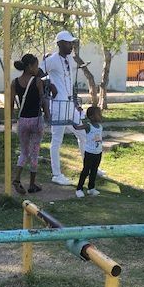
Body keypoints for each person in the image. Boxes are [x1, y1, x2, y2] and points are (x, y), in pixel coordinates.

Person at [39, 31, 86, 186]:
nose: (71, 46)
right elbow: (37, 74)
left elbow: (70, 83)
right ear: (59, 44)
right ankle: (56, 174)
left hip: (70, 105)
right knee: (57, 140)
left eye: (72, 43)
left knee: (83, 134)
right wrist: (48, 84)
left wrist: (76, 103)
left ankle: (89, 166)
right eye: (67, 43)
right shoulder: (51, 60)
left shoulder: (70, 61)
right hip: (58, 106)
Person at [10, 54, 51, 194]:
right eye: (36, 65)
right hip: (36, 120)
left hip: (22, 121)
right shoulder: (37, 81)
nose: (37, 68)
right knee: (34, 153)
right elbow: (43, 100)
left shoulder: (15, 82)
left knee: (24, 152)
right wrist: (48, 115)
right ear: (29, 66)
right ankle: (32, 184)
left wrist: (10, 121)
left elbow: (10, 105)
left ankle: (16, 179)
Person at [74, 106, 103, 198]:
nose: (100, 116)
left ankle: (91, 188)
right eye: (98, 114)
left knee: (94, 171)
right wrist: (78, 115)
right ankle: (79, 189)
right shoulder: (88, 126)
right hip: (89, 153)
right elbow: (77, 127)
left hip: (98, 152)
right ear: (91, 117)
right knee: (86, 170)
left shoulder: (100, 126)